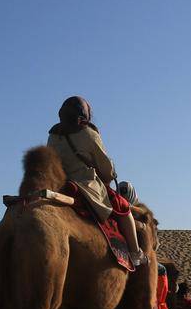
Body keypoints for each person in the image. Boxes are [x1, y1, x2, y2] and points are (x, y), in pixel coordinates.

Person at [47, 96, 146, 266]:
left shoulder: (53, 136)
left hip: (59, 186)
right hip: (86, 185)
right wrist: (108, 174)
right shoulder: (89, 134)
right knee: (124, 208)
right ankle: (135, 252)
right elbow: (106, 170)